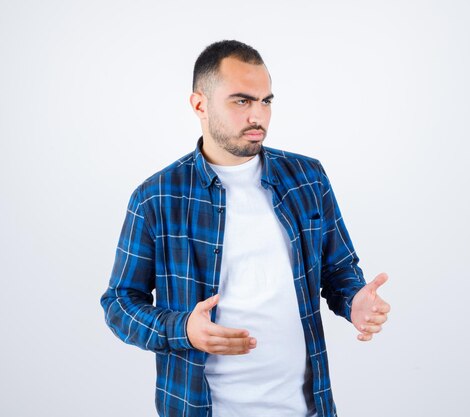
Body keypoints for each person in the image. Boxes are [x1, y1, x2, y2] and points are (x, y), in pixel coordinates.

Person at [101, 40, 390, 417]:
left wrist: (355, 302)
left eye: (265, 101)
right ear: (199, 105)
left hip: (306, 407)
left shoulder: (307, 178)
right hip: (201, 407)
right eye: (241, 101)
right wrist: (183, 329)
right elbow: (120, 304)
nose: (259, 116)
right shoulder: (156, 197)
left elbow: (338, 271)